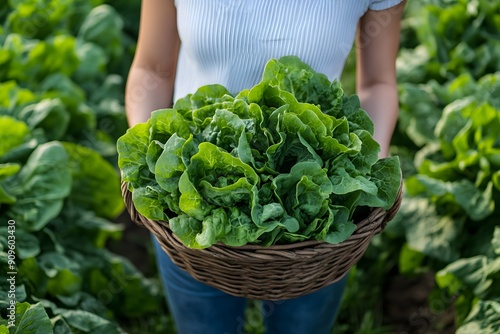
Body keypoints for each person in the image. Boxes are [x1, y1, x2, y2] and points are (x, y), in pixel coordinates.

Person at [125, 1, 406, 333]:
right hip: (191, 194)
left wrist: (367, 169)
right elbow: (152, 69)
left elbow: (378, 84)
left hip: (313, 231)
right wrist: (148, 162)